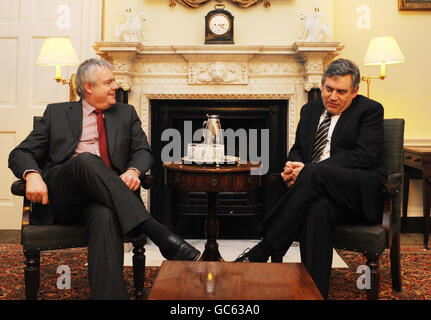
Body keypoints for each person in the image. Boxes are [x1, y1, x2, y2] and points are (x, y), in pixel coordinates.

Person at [8, 58, 200, 300]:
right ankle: (156, 231)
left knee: (104, 216)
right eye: (109, 82)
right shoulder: (57, 114)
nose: (116, 87)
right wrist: (33, 175)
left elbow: (142, 151)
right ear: (89, 87)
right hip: (64, 195)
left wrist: (133, 171)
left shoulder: (126, 114)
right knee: (86, 160)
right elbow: (20, 152)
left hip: (104, 200)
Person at [234, 58, 385, 299]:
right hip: (319, 195)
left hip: (354, 194)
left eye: (341, 91)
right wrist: (294, 166)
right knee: (318, 210)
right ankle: (314, 294)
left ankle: (266, 246)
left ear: (354, 91)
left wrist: (310, 170)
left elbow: (363, 156)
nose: (332, 96)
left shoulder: (370, 110)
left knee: (314, 172)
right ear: (322, 84)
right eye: (328, 89)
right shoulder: (310, 110)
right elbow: (298, 149)